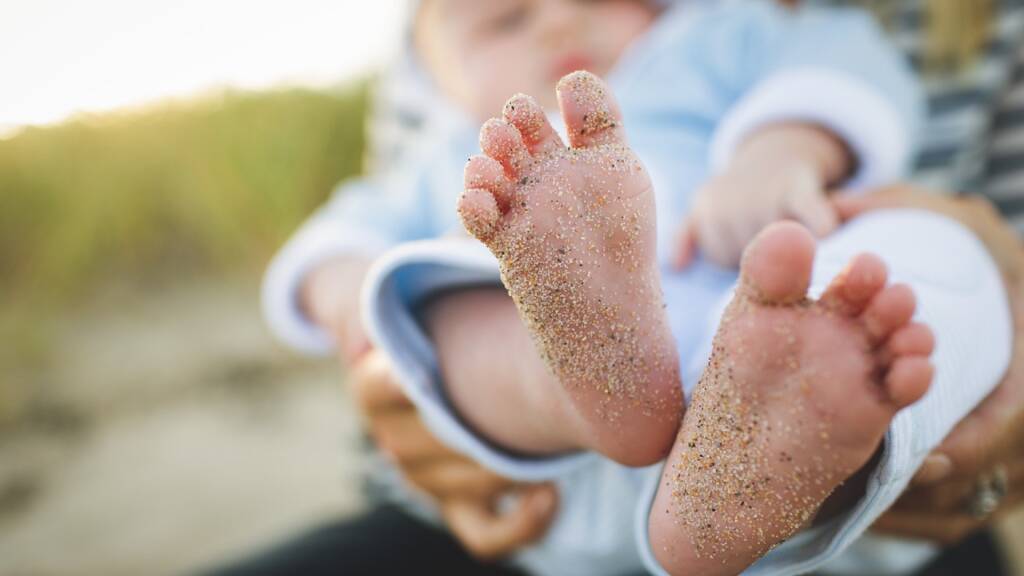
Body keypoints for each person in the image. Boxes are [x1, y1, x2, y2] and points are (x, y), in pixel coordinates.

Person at [238, 1, 1016, 575]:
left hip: (783, 376)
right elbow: (332, 248)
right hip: (549, 476)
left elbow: (841, 62)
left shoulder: (712, 40)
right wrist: (355, 308)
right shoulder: (452, 156)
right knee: (446, 295)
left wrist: (781, 151)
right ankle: (578, 374)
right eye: (506, 20)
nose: (557, 23)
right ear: (432, 75)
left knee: (935, 246)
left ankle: (782, 443)